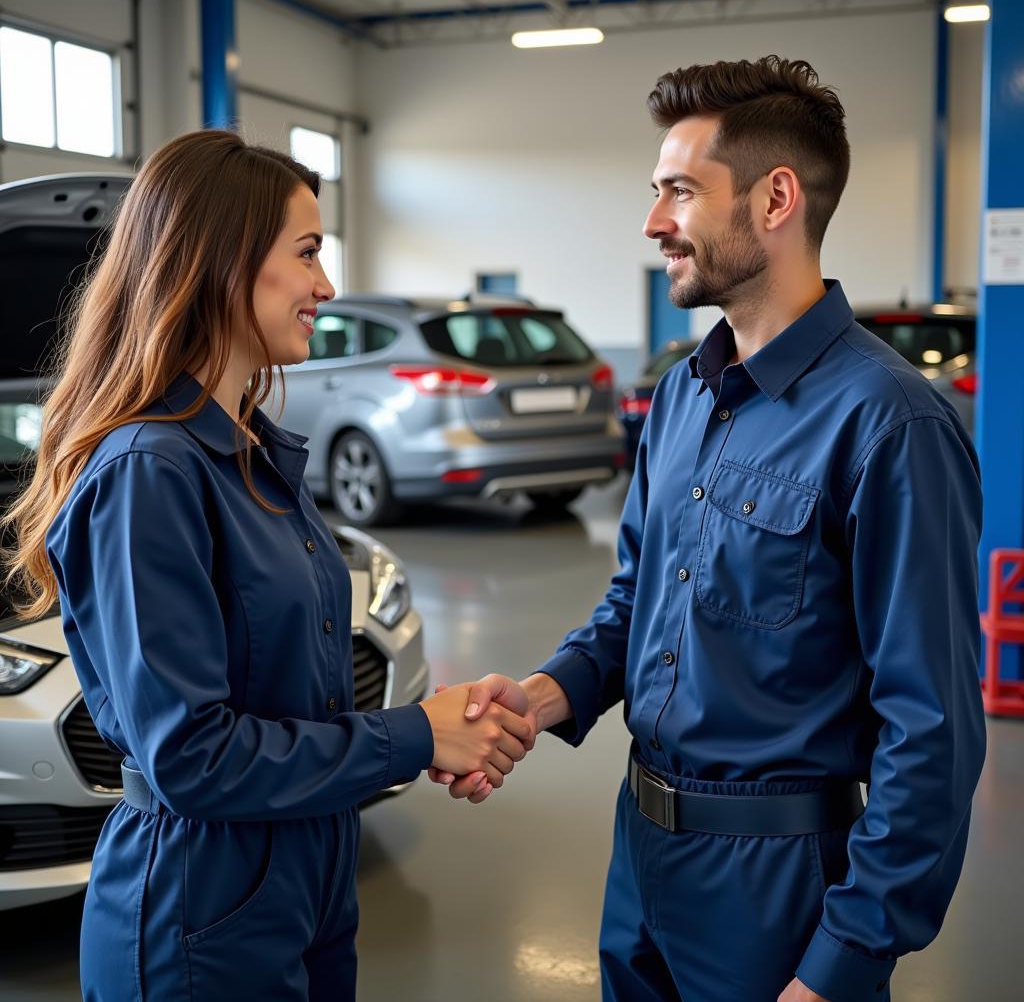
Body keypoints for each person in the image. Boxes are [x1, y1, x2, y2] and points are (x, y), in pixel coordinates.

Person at [430, 56, 986, 1002]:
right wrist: (541, 696)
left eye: (680, 192)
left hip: (777, 890)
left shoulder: (890, 423)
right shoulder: (684, 398)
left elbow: (930, 731)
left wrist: (841, 964)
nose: (653, 223)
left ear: (776, 199)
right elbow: (634, 601)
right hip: (640, 858)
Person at [1, 129, 534, 1001]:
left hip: (304, 867)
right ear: (220, 262)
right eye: (309, 253)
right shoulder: (150, 470)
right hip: (197, 900)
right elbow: (191, 756)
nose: (327, 286)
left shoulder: (244, 452)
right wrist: (414, 735)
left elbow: (291, 691)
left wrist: (438, 731)